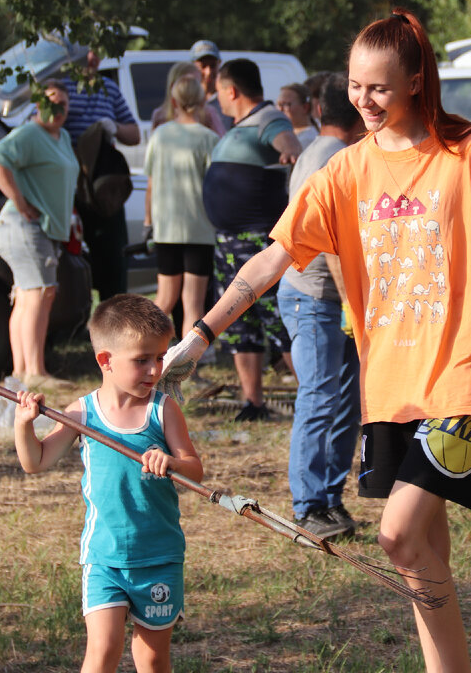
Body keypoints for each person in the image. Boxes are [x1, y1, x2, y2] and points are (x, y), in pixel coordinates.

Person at [159, 9, 471, 673]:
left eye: (379, 86)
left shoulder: (469, 154)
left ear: (414, 81)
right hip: (391, 385)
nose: (365, 99)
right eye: (355, 85)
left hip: (464, 377)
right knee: (427, 553)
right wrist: (200, 334)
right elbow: (271, 260)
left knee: (397, 537)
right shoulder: (345, 173)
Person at [14, 293, 202, 673]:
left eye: (160, 357)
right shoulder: (83, 413)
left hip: (159, 556)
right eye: (142, 360)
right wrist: (23, 425)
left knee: (151, 658)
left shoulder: (162, 409)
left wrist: (172, 462)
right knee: (103, 651)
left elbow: (195, 470)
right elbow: (36, 461)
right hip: (104, 557)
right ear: (106, 361)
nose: (154, 369)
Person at [276, 73, 362, 538]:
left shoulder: (320, 150)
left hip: (333, 297)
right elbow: (330, 241)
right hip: (314, 297)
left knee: (346, 401)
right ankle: (307, 507)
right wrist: (351, 302)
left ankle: (330, 499)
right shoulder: (332, 157)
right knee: (320, 397)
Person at [201, 58, 301, 421]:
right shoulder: (236, 126)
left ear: (232, 90)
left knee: (275, 320)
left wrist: (290, 150)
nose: (218, 101)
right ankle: (252, 402)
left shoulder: (267, 118)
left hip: (256, 241)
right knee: (239, 320)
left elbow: (286, 139)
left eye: (219, 93)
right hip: (228, 242)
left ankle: (313, 400)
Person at [0, 80, 79, 390]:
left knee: (30, 296)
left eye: (64, 104)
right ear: (38, 105)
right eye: (52, 102)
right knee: (38, 293)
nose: (59, 109)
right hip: (22, 226)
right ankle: (34, 371)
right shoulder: (29, 133)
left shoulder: (62, 136)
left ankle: (23, 372)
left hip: (46, 228)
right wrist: (19, 200)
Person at [62, 49, 141, 302]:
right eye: (85, 52)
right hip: (70, 186)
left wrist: (113, 127)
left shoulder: (109, 87)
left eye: (96, 53)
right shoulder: (61, 87)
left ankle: (112, 315)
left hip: (103, 187)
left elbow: (134, 134)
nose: (92, 58)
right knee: (72, 256)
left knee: (113, 256)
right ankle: (74, 319)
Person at [144, 75, 219, 338]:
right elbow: (214, 186)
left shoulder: (160, 135)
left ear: (173, 100)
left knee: (164, 299)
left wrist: (148, 222)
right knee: (193, 303)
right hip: (199, 228)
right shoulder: (209, 138)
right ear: (201, 101)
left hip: (166, 228)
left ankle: (140, 351)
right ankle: (188, 371)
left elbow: (151, 183)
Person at [150, 61, 226, 135]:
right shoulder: (160, 116)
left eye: (198, 84)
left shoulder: (208, 114)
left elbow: (221, 143)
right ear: (173, 87)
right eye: (190, 85)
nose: (196, 89)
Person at [190, 39, 231, 132]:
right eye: (203, 66)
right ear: (193, 66)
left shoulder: (228, 98)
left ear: (219, 64)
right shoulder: (186, 100)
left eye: (212, 66)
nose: (208, 72)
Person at [276, 83, 319, 148]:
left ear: (305, 107)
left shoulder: (308, 139)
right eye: (279, 104)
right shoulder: (288, 134)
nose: (280, 109)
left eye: (286, 104)